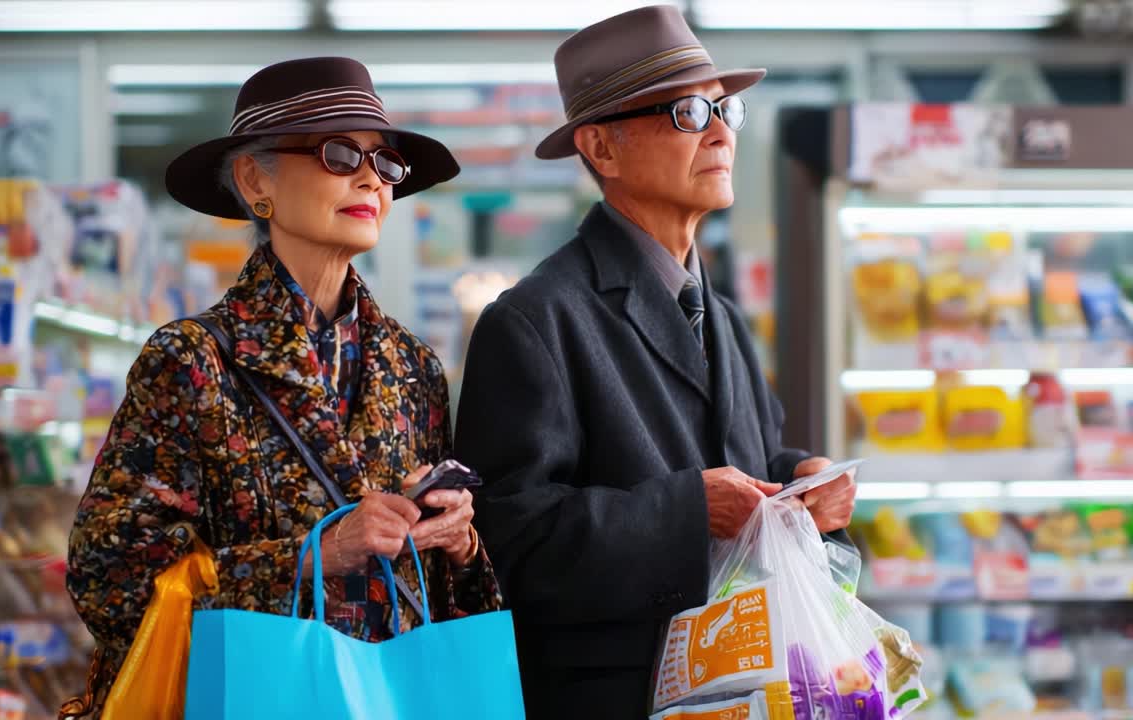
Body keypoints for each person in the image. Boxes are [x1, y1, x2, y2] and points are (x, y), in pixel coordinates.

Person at [63, 57, 501, 717]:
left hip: (394, 698)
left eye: (384, 163)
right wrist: (313, 555)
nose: (368, 177)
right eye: (337, 152)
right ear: (253, 180)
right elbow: (110, 575)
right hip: (254, 695)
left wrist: (459, 540)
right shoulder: (192, 360)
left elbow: (444, 591)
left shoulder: (413, 365)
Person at [453, 6, 857, 718]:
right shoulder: (535, 319)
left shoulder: (722, 315)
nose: (721, 131)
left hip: (744, 689)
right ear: (601, 150)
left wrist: (803, 482)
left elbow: (743, 454)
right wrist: (688, 512)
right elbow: (506, 543)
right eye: (687, 111)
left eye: (724, 107)